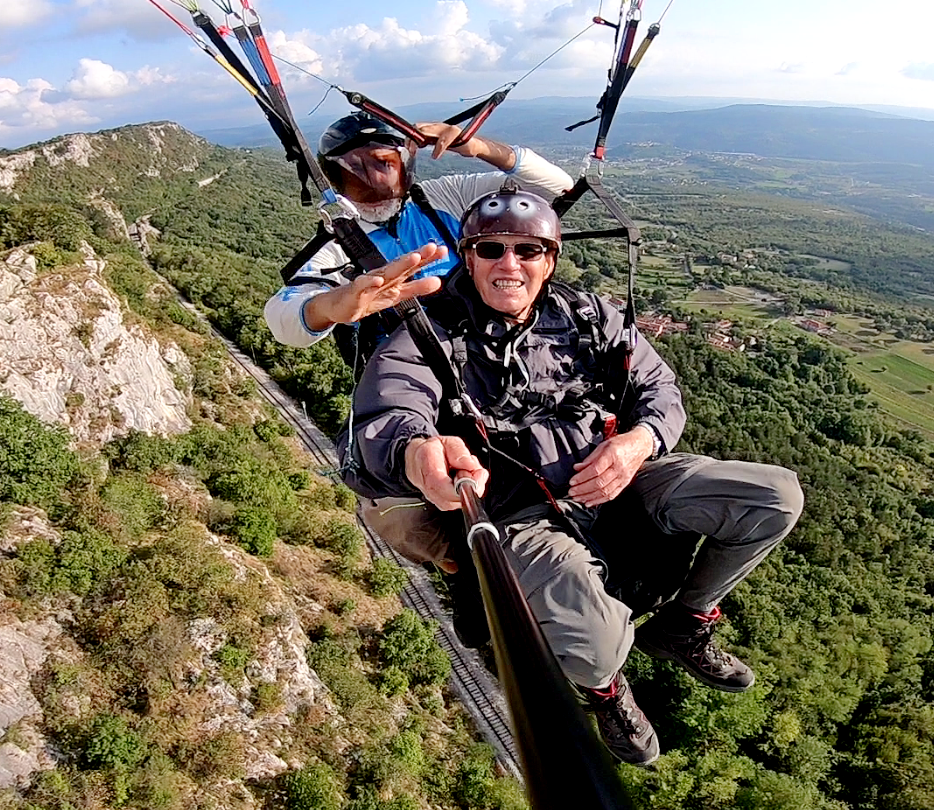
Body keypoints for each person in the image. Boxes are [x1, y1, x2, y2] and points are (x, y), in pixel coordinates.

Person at [344, 184, 806, 765]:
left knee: (772, 496)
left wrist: (640, 442)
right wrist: (416, 453)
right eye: (490, 250)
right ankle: (605, 690)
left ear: (550, 259)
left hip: (616, 479)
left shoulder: (589, 318)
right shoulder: (426, 334)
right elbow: (390, 409)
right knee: (591, 628)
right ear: (467, 256)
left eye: (528, 250)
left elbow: (659, 389)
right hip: (518, 508)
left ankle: (686, 623)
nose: (508, 264)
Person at [263, 112, 573, 575]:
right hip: (414, 380)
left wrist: (479, 147)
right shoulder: (337, 249)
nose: (375, 178)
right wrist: (334, 305)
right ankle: (459, 566)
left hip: (489, 354)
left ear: (407, 165)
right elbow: (284, 315)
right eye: (359, 169)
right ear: (335, 177)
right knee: (408, 516)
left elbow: (557, 189)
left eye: (386, 162)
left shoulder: (445, 198)